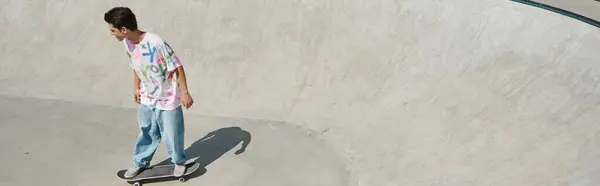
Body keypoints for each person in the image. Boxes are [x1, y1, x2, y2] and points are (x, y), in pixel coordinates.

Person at [103, 7, 194, 178]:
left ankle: (179, 161)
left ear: (124, 30)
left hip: (167, 98)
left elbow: (177, 66)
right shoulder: (127, 43)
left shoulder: (156, 42)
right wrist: (136, 87)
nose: (111, 34)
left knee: (172, 133)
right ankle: (140, 163)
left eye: (112, 30)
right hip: (147, 96)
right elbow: (136, 66)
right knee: (147, 130)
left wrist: (185, 92)